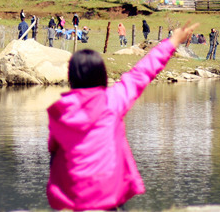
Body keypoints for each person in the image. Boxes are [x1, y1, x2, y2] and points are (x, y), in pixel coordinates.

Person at [47, 21, 199, 211]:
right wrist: (173, 41)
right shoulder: (112, 100)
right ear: (102, 75)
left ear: (72, 77)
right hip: (109, 191)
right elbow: (142, 72)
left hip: (73, 196)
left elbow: (53, 151)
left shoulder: (58, 111)